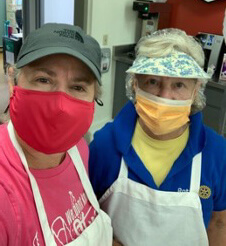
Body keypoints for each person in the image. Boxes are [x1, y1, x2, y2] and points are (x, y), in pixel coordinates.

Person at [89, 28, 226, 246]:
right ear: (135, 84)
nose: (164, 96)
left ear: (196, 90)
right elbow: (87, 215)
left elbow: (219, 223)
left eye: (179, 84)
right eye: (153, 81)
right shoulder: (104, 145)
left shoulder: (217, 152)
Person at [0, 23, 113, 246]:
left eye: (78, 87)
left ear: (94, 99)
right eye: (44, 80)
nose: (60, 105)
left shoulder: (80, 150)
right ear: (13, 83)